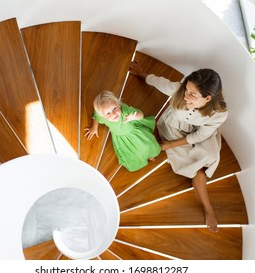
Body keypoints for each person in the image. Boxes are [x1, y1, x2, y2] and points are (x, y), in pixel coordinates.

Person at [129, 60, 228, 232]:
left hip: (199, 133)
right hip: (173, 127)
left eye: (192, 95)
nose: (186, 96)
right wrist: (141, 73)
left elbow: (199, 135)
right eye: (187, 90)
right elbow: (161, 83)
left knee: (209, 156)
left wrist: (169, 146)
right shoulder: (181, 91)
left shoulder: (219, 114)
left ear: (207, 98)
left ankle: (205, 197)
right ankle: (208, 208)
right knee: (196, 170)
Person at [84, 90, 161, 172]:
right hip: (121, 139)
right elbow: (96, 117)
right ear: (103, 116)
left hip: (135, 134)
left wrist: (134, 117)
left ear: (118, 104)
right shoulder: (102, 117)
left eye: (114, 108)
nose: (113, 114)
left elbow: (140, 115)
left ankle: (150, 154)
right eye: (108, 113)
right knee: (132, 152)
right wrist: (94, 127)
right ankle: (142, 157)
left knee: (145, 146)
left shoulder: (124, 110)